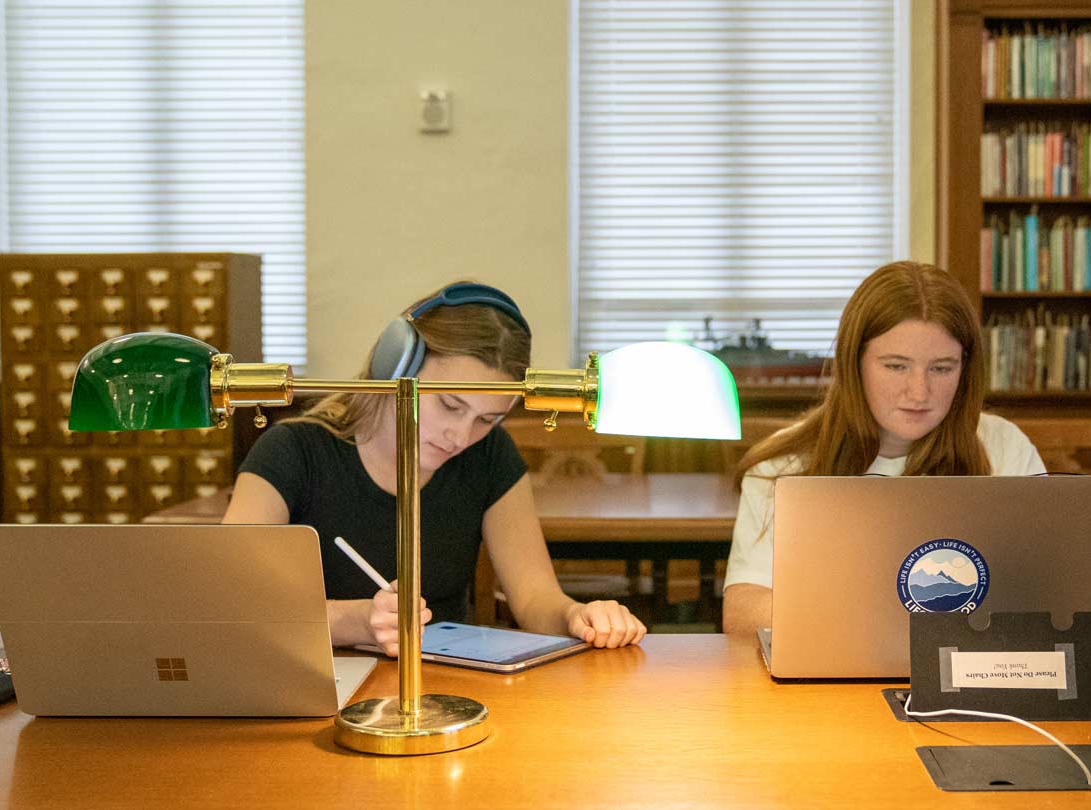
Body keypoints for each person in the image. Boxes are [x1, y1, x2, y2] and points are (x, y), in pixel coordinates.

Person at [223, 281, 646, 655]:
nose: (461, 437)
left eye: (486, 419)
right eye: (449, 404)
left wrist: (578, 615)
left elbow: (535, 598)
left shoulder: (490, 455)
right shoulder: (293, 451)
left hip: (443, 686)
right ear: (395, 366)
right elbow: (227, 598)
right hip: (313, 683)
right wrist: (353, 621)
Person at [721, 261, 1045, 637]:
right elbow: (742, 614)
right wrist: (878, 623)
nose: (919, 392)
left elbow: (1047, 585)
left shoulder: (1004, 447)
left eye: (941, 369)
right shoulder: (783, 463)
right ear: (853, 362)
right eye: (896, 366)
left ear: (965, 369)